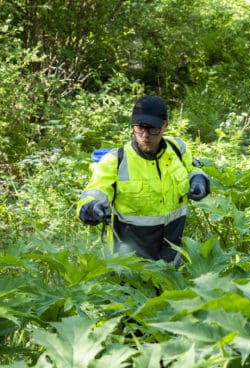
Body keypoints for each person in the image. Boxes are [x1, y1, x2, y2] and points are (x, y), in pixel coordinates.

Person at [77, 95, 210, 265]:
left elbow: (192, 169)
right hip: (130, 263)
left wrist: (199, 179)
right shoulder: (115, 161)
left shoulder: (178, 149)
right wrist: (91, 208)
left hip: (170, 258)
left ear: (165, 126)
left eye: (152, 129)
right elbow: (95, 192)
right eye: (140, 128)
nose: (145, 135)